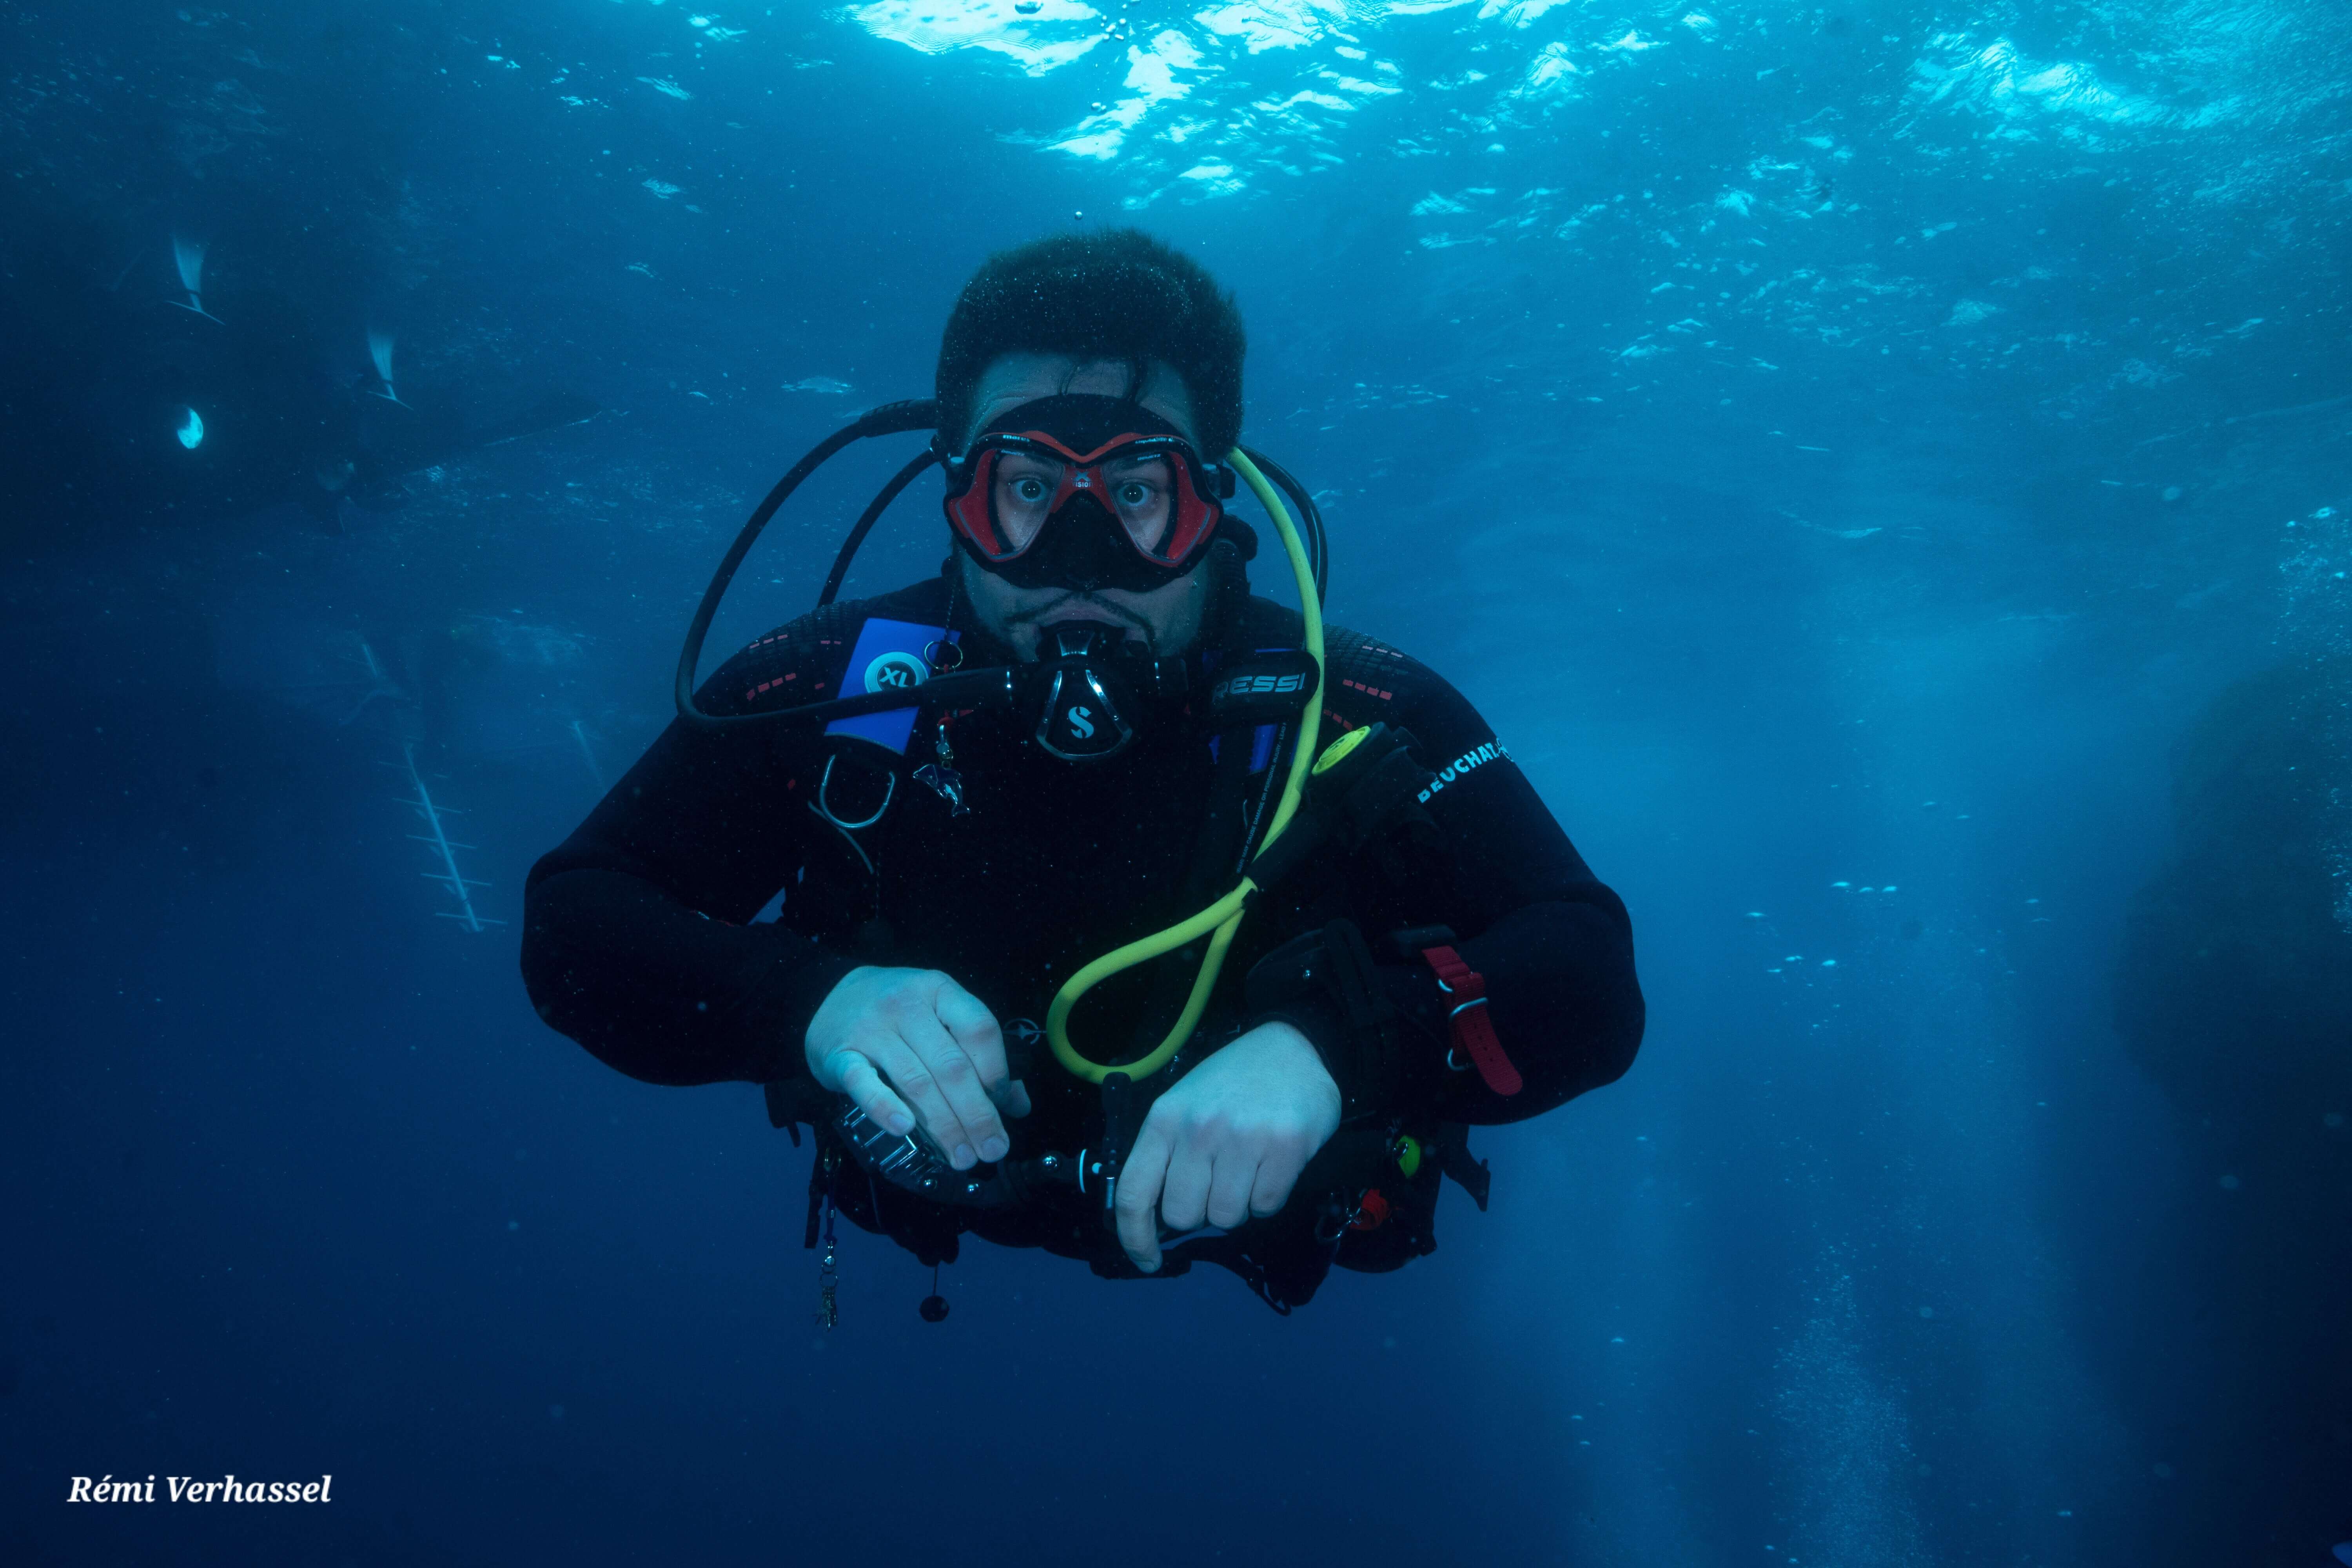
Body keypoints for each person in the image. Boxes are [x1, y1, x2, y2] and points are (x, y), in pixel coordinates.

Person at [521, 230, 1643, 1313]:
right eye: (1026, 488)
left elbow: (1590, 970)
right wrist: (812, 1001)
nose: (1080, 559)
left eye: (1139, 492)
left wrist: (1341, 1047)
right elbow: (574, 922)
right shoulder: (838, 687)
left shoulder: (1350, 708)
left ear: (1211, 501)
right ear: (958, 495)